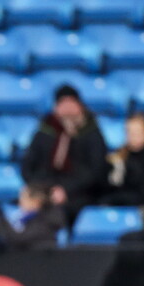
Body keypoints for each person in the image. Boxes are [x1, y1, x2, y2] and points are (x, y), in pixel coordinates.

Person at [20, 85, 109, 228]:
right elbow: (28, 166)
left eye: (71, 103)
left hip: (80, 194)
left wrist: (66, 190)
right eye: (63, 103)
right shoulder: (45, 131)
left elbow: (96, 171)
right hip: (44, 189)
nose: (67, 109)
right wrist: (43, 190)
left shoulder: (91, 133)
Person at [102, 112, 144, 207]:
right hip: (122, 205)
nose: (133, 137)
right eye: (130, 132)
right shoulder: (120, 156)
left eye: (137, 132)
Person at [0, 182, 66, 251]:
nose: (20, 202)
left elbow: (19, 239)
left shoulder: (45, 221)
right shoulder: (25, 219)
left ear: (36, 201)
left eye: (24, 197)